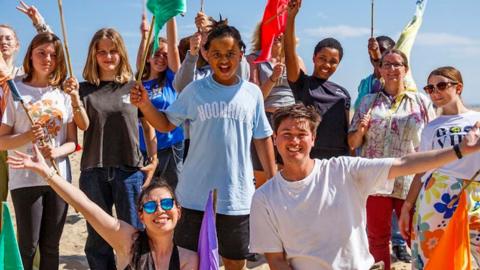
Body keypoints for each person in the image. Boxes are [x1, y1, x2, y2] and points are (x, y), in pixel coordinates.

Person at [249, 103, 480, 270]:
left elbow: (404, 163)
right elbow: (276, 260)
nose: (294, 141)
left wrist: (460, 150)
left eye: (302, 134)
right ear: (275, 139)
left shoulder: (343, 170)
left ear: (314, 139)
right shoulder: (264, 198)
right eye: (286, 134)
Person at [130, 24, 276, 270]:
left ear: (241, 53)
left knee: (234, 261)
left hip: (237, 197)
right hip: (193, 197)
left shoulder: (253, 94)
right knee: (192, 260)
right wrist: (145, 105)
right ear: (206, 54)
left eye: (230, 53)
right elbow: (165, 123)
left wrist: (273, 180)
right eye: (216, 54)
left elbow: (262, 138)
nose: (224, 60)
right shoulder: (194, 91)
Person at [7, 146, 198, 269]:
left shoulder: (188, 259)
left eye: (166, 203)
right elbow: (86, 205)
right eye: (149, 207)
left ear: (178, 211)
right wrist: (47, 173)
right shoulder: (128, 241)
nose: (159, 211)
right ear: (140, 216)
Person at [348, 49, 435, 269]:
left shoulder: (421, 102)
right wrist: (360, 129)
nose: (391, 69)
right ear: (380, 70)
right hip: (376, 180)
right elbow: (353, 143)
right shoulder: (368, 102)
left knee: (415, 235)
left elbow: (432, 141)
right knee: (377, 239)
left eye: (397, 64)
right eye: (386, 64)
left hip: (411, 182)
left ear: (406, 69)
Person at [78, 28, 157, 269]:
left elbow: (148, 125)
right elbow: (80, 124)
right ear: (94, 55)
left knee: (133, 235)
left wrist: (153, 159)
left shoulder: (133, 87)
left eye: (112, 51)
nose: (108, 56)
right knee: (97, 239)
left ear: (121, 53)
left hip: (129, 171)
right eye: (102, 52)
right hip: (94, 171)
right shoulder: (83, 90)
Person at [0, 32, 76, 270]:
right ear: (30, 55)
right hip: (25, 177)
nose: (48, 58)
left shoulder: (63, 93)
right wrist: (26, 137)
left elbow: (73, 141)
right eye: (41, 53)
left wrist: (56, 152)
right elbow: (1, 141)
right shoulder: (15, 90)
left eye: (53, 54)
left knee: (51, 247)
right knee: (28, 246)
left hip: (58, 177)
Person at [398, 66, 480, 269]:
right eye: (430, 88)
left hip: (475, 194)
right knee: (430, 253)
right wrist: (407, 207)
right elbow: (422, 170)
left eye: (441, 86)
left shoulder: (476, 120)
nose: (435, 92)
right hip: (436, 194)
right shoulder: (431, 128)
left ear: (458, 87)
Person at [172, 12, 250, 159]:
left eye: (211, 35)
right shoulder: (196, 71)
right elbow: (181, 88)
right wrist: (192, 55)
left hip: (231, 139)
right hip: (196, 142)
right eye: (203, 42)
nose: (205, 42)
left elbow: (242, 75)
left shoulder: (234, 66)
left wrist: (210, 26)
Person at [284, 0, 351, 160]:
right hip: (309, 157)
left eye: (333, 61)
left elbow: (347, 131)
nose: (327, 64)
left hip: (338, 159)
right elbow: (289, 52)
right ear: (314, 58)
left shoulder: (343, 93)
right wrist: (291, 18)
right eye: (322, 58)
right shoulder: (302, 83)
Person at [0, 1, 51, 202]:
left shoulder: (25, 74)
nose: (3, 42)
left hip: (21, 142)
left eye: (8, 38)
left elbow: (50, 47)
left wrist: (39, 23)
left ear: (17, 45)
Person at [246, 23, 306, 187]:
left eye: (282, 31)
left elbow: (303, 92)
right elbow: (255, 97)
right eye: (274, 30)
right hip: (265, 118)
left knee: (288, 171)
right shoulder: (253, 59)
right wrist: (273, 78)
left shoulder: (296, 60)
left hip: (290, 120)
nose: (279, 35)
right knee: (263, 174)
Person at [137, 16, 183, 189]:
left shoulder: (172, 79)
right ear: (148, 57)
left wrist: (171, 14)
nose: (161, 58)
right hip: (144, 150)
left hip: (170, 146)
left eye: (165, 55)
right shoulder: (140, 82)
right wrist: (145, 36)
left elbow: (173, 47)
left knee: (173, 193)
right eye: (157, 54)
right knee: (148, 195)